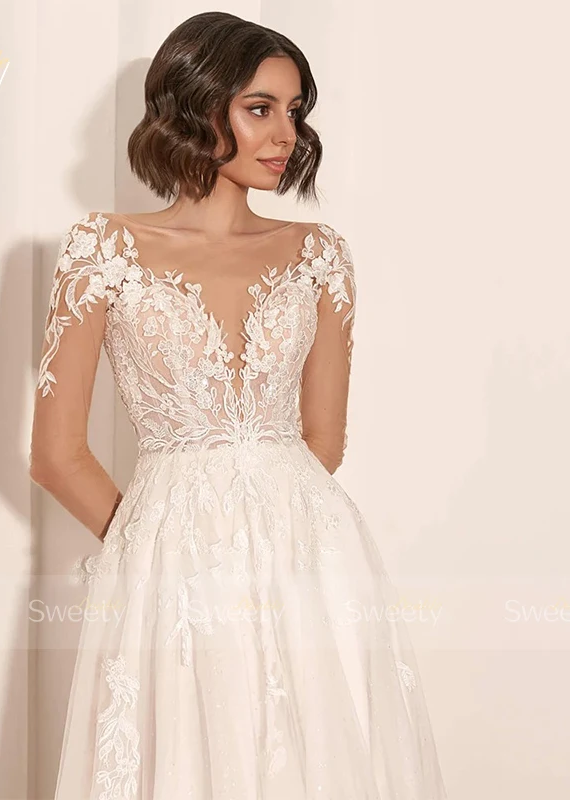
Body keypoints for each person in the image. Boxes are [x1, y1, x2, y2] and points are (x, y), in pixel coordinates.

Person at [30, 11, 448, 799]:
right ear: (195, 104)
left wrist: (270, 544)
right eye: (260, 108)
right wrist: (158, 550)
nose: (287, 133)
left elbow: (324, 438)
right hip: (167, 564)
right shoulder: (102, 250)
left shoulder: (320, 255)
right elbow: (55, 455)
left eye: (295, 110)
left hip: (311, 560)